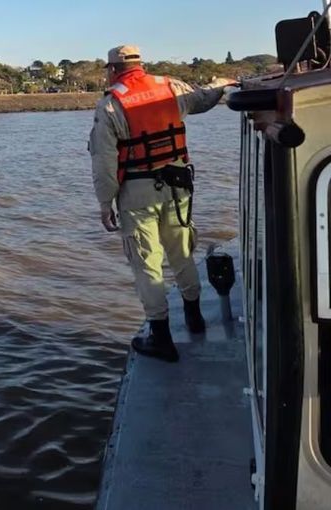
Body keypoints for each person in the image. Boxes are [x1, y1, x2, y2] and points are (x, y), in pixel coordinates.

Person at [89, 45, 236, 362]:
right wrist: (223, 83)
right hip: (178, 187)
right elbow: (204, 99)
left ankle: (161, 337)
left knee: (147, 265)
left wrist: (105, 203)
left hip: (138, 192)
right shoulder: (170, 86)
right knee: (182, 252)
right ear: (140, 64)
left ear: (113, 69)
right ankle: (195, 319)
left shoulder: (111, 103)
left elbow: (104, 161)